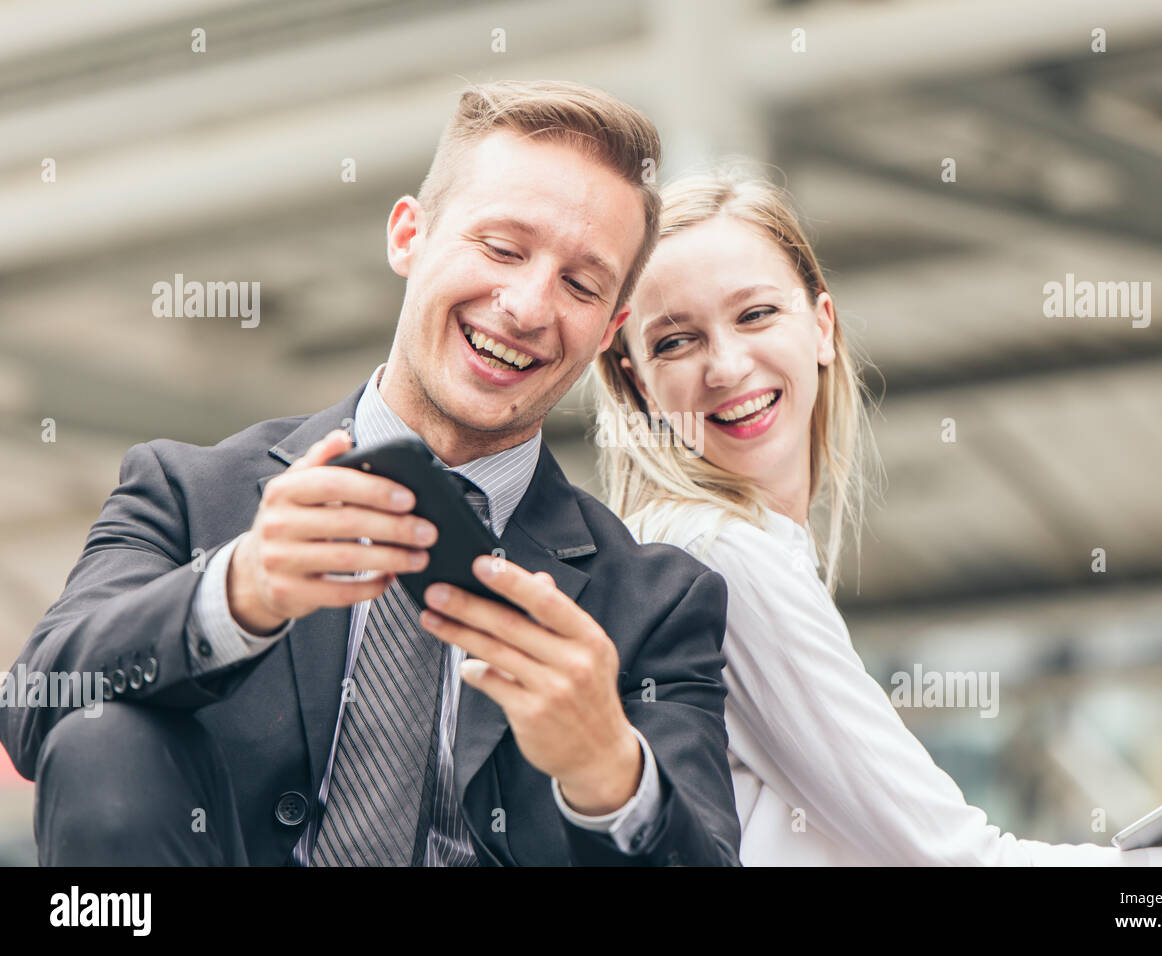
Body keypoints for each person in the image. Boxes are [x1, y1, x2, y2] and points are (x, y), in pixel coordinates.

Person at [0, 80, 742, 866]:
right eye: (501, 247)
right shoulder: (190, 495)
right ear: (408, 236)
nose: (527, 306)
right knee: (99, 736)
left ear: (608, 331)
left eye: (581, 284)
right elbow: (35, 703)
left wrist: (609, 772)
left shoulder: (657, 605)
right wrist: (237, 591)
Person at [592, 165, 1162, 865]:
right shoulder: (719, 558)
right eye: (674, 341)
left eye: (755, 314)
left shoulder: (697, 551)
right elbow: (956, 864)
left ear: (823, 326)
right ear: (635, 379)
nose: (725, 366)